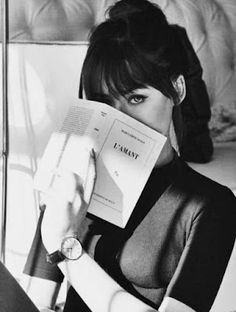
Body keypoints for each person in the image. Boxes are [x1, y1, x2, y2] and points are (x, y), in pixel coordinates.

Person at [2, 0, 235, 311]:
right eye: (103, 102)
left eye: (136, 98)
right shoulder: (74, 182)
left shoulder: (211, 204)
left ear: (177, 90)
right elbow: (33, 302)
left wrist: (65, 247)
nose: (119, 118)